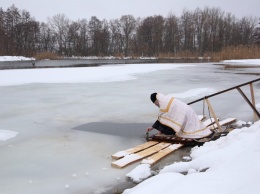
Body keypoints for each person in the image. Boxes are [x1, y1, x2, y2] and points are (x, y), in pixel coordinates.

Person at [146, 93, 213, 139]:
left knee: (188, 130)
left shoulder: (164, 104)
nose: (155, 105)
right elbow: (162, 117)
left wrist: (160, 129)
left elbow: (163, 117)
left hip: (186, 115)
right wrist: (153, 127)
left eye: (155, 103)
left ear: (157, 100)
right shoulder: (165, 100)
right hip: (188, 111)